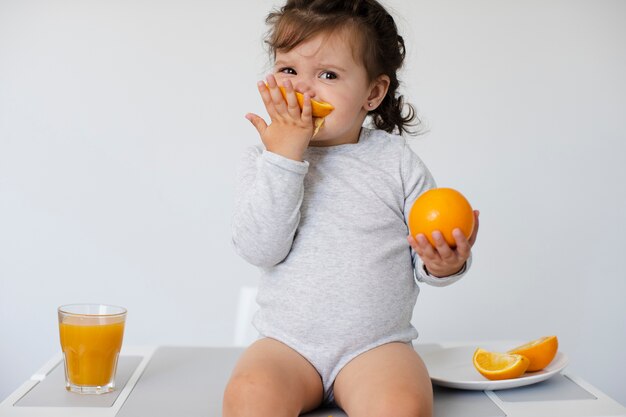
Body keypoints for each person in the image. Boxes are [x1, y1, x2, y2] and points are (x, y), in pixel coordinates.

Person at [224, 1, 479, 416]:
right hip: (286, 345)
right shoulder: (264, 159)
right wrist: (285, 158)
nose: (302, 89)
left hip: (374, 347)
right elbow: (259, 249)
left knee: (402, 406)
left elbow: (424, 255)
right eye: (289, 70)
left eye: (328, 74)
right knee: (248, 395)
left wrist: (443, 263)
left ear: (372, 93)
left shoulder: (396, 162)